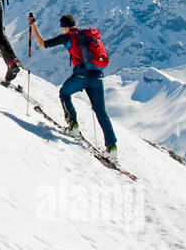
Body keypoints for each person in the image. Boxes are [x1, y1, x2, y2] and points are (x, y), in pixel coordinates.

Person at [28, 13, 119, 161]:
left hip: (81, 75)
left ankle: (73, 125)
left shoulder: (68, 37)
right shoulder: (86, 35)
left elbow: (42, 43)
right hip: (97, 76)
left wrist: (33, 25)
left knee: (64, 93)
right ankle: (112, 146)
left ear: (64, 27)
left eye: (62, 27)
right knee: (101, 111)